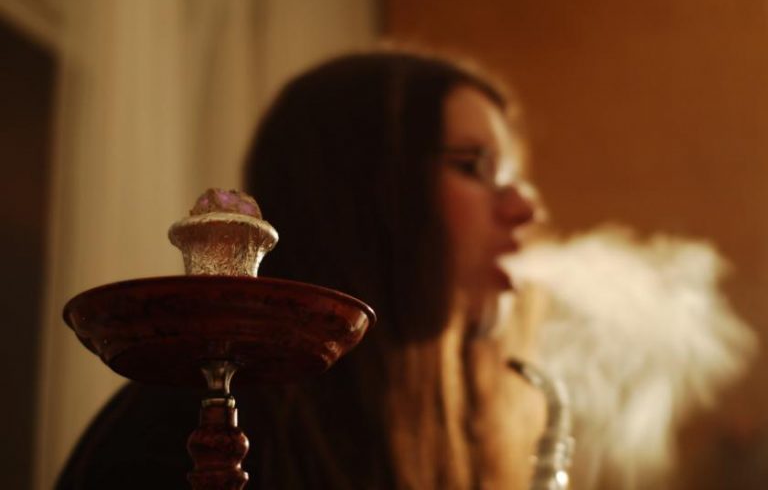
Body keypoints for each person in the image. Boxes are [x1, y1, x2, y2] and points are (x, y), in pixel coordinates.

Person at [57, 49, 544, 489]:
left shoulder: (429, 431)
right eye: (473, 165)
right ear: (362, 196)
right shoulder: (196, 425)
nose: (525, 208)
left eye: (512, 177)